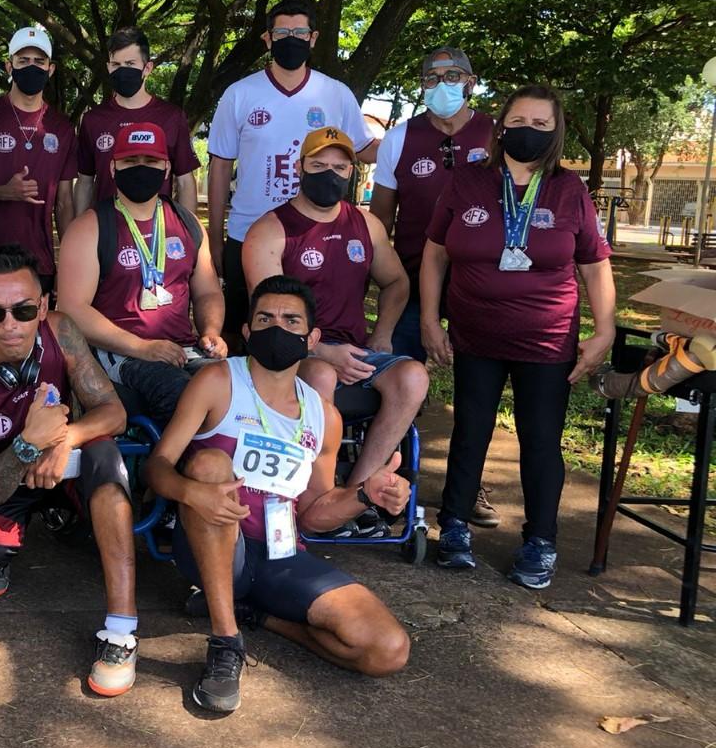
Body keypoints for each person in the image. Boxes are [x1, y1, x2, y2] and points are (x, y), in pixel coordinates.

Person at [145, 276, 411, 713]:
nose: (277, 329)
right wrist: (193, 492)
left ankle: (259, 616)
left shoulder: (323, 415)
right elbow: (158, 466)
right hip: (213, 547)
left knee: (387, 650)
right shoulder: (217, 381)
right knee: (209, 464)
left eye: (291, 321)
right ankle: (226, 639)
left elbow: (313, 513)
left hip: (281, 555)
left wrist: (365, 495)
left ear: (312, 338)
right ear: (247, 331)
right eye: (265, 319)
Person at [422, 85, 615, 590]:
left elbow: (595, 266)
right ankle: (456, 527)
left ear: (555, 133)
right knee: (470, 430)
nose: (528, 130)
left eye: (541, 124)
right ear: (500, 124)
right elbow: (434, 254)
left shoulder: (569, 189)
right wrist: (429, 319)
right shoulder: (466, 181)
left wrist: (604, 330)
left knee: (541, 441)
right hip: (475, 334)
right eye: (519, 119)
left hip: (547, 340)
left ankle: (541, 540)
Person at [0, 245, 139, 697]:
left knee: (107, 458)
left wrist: (62, 437)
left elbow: (113, 412)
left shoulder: (61, 332)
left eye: (25, 310)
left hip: (60, 460)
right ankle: (28, 527)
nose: (10, 324)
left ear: (43, 305)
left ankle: (122, 631)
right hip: (8, 475)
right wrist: (29, 445)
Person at [243, 127, 427, 534]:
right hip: (292, 352)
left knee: (413, 376)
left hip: (357, 349)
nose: (330, 174)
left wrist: (382, 335)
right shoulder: (272, 229)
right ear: (300, 168)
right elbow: (268, 315)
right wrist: (321, 351)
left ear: (352, 173)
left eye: (340, 167)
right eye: (319, 165)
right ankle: (317, 501)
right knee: (323, 375)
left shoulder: (366, 225)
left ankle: (357, 495)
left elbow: (397, 283)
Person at [369, 46, 499, 527]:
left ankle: (471, 487)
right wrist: (375, 275)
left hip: (479, 282)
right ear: (420, 84)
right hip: (408, 278)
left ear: (471, 80)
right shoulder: (401, 138)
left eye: (453, 75)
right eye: (432, 76)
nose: (443, 83)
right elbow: (380, 217)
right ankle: (386, 483)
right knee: (397, 380)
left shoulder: (497, 134)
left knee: (477, 391)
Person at [206, 0, 376, 337]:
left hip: (316, 237)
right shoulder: (239, 94)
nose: (291, 38)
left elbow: (366, 149)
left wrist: (411, 146)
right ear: (268, 39)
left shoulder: (336, 94)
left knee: (310, 332)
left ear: (313, 38)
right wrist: (214, 237)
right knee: (248, 333)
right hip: (247, 232)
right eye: (282, 32)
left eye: (299, 32)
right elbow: (220, 165)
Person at [57, 122, 226, 423]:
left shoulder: (187, 223)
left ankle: (214, 468)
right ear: (112, 168)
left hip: (182, 349)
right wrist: (142, 348)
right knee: (181, 395)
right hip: (121, 353)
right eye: (130, 161)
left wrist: (211, 331)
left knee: (233, 388)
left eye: (150, 161)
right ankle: (165, 469)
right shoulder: (89, 227)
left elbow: (209, 291)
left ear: (166, 168)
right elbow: (72, 309)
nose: (140, 169)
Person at [0, 25, 76, 300]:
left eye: (39, 62)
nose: (31, 68)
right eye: (23, 61)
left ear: (51, 69)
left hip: (40, 261)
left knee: (37, 340)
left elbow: (64, 203)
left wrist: (69, 265)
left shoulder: (61, 127)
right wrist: (3, 192)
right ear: (8, 66)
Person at [75, 26, 200, 214]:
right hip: (106, 231)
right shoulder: (93, 120)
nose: (122, 70)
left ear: (147, 68)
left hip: (157, 232)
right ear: (109, 67)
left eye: (130, 63)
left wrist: (188, 233)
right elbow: (85, 182)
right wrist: (80, 229)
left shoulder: (171, 117)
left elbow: (185, 180)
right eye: (116, 65)